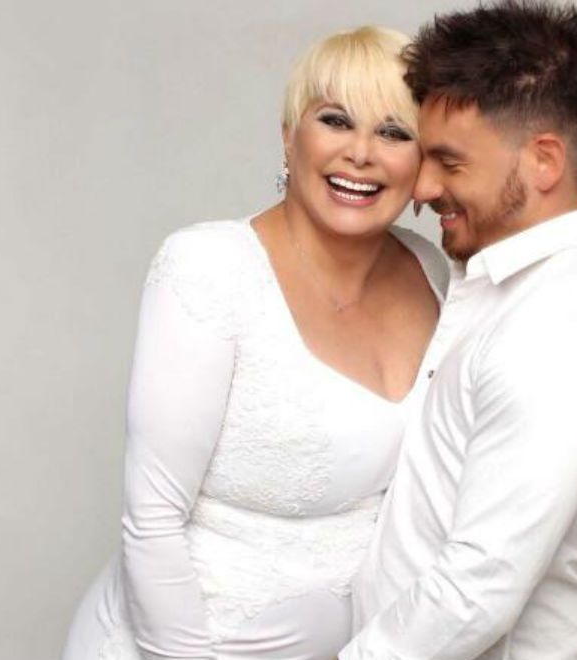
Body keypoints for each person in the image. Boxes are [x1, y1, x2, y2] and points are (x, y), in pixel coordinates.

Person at [63, 26, 448, 660]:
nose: (361, 153)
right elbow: (152, 521)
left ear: (423, 162)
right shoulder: (208, 268)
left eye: (394, 132)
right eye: (335, 120)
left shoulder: (431, 273)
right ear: (289, 136)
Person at [340, 3, 577, 659]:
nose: (421, 187)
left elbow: (477, 590)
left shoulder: (562, 335)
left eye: (449, 162)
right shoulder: (493, 285)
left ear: (543, 162)